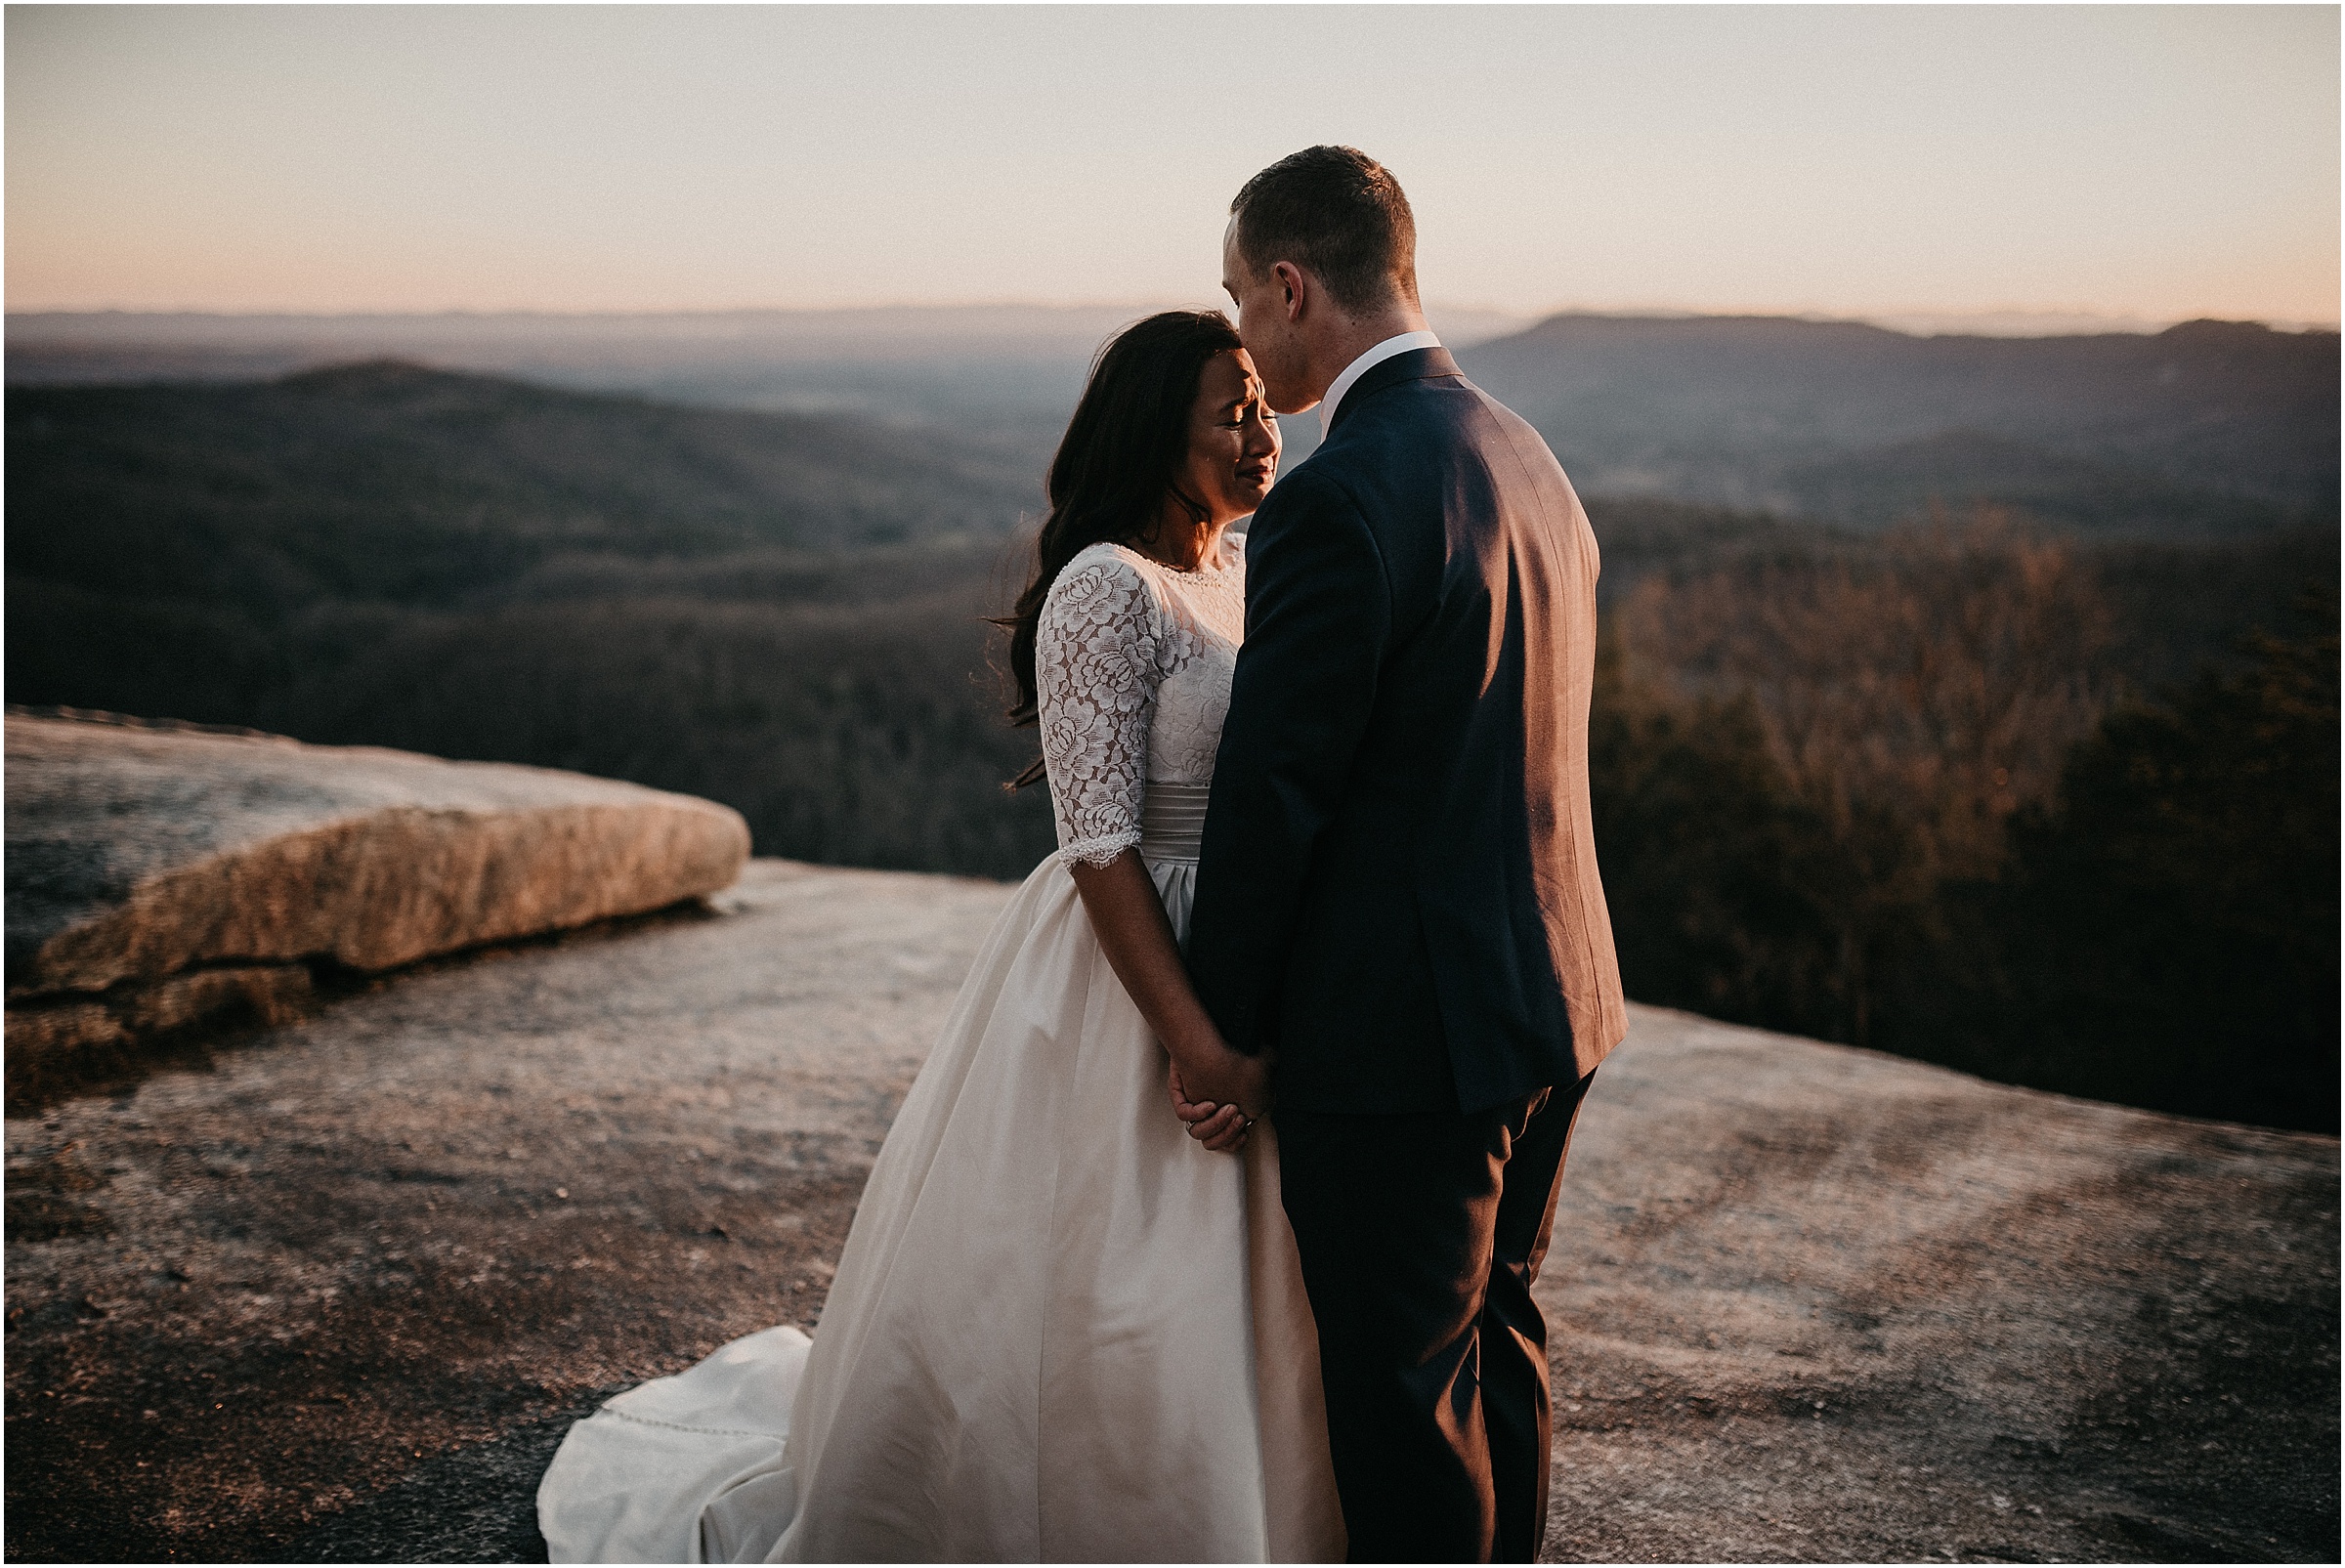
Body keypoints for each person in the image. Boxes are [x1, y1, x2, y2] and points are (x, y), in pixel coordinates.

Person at [535, 311, 1346, 1562]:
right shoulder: (1103, 589)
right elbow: (1098, 843)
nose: (1263, 431)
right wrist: (1191, 1040)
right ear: (1155, 432)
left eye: (1262, 404)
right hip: (1128, 977)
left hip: (1246, 954)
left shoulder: (1243, 571)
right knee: (1105, 1282)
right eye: (1229, 409)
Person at [1182, 147, 1628, 1563]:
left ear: (1293, 285)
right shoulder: (1525, 453)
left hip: (1406, 1039)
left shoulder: (1338, 496)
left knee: (1399, 1395)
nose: (1246, 333)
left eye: (1245, 299)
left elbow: (1275, 797)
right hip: (1556, 996)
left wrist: (1212, 1027)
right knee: (1499, 1335)